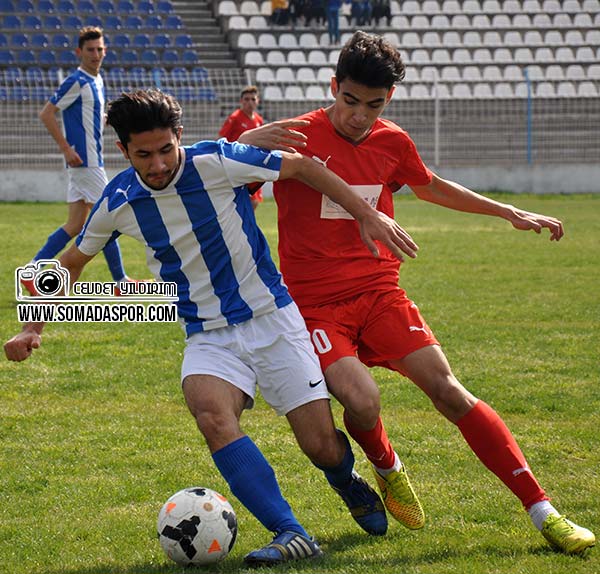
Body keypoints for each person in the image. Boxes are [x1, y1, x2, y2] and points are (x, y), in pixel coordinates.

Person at [4, 89, 423, 566]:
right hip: (208, 334)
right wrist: (33, 327)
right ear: (124, 151)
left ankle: (345, 479)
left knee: (321, 446)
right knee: (210, 413)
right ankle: (290, 530)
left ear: (179, 136)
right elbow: (73, 261)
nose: (159, 164)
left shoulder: (216, 161)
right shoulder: (117, 200)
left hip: (272, 319)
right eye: (144, 154)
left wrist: (366, 213)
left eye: (166, 148)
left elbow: (306, 166)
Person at [249, 31, 595, 555]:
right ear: (333, 86)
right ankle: (387, 466)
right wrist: (249, 148)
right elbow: (223, 174)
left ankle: (543, 510)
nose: (359, 116)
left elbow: (429, 184)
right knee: (362, 400)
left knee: (450, 390)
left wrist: (507, 211)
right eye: (350, 101)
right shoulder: (296, 136)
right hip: (316, 307)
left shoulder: (392, 141)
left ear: (387, 100)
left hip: (380, 293)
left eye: (373, 104)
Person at [22, 27, 135, 297]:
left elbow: (94, 119)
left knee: (74, 225)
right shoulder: (77, 80)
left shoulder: (97, 80)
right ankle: (120, 281)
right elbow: (47, 113)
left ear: (105, 51)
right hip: (86, 162)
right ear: (79, 52)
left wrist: (114, 118)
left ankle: (31, 272)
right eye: (90, 50)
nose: (96, 54)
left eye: (100, 49)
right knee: (109, 218)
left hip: (90, 161)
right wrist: (65, 149)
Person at [218, 86, 265, 211]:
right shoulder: (235, 118)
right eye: (246, 99)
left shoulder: (258, 120)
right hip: (238, 163)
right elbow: (222, 138)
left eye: (253, 99)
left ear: (257, 101)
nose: (250, 102)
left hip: (253, 163)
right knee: (249, 200)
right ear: (241, 101)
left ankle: (244, 226)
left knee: (253, 202)